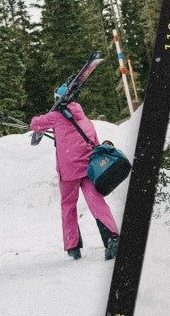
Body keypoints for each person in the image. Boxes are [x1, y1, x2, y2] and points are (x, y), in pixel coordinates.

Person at [30, 101, 120, 261]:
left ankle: (73, 246)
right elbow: (95, 141)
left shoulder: (55, 117)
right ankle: (112, 237)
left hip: (68, 171)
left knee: (68, 206)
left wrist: (43, 117)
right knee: (97, 203)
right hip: (88, 168)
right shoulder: (83, 117)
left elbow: (35, 124)